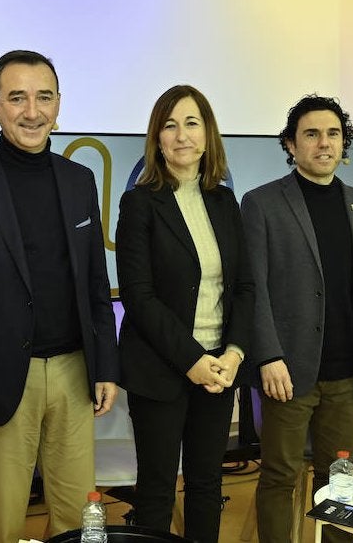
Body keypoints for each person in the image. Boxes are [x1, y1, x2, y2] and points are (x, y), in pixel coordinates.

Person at [0, 50, 119, 543]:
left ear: (58, 104)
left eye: (43, 97)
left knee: (78, 522)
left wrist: (107, 366)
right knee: (4, 526)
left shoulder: (80, 180)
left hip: (76, 374)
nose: (32, 112)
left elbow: (96, 283)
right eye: (17, 98)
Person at [240, 95, 353, 543]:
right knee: (279, 477)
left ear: (344, 143)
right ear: (291, 144)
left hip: (349, 374)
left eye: (333, 133)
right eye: (311, 134)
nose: (323, 143)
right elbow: (254, 290)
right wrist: (267, 355)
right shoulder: (261, 204)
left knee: (341, 478)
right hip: (288, 372)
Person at [115, 84, 253, 541]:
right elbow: (139, 296)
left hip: (219, 366)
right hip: (161, 369)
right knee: (156, 491)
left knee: (207, 484)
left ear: (208, 135)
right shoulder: (139, 203)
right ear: (157, 139)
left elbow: (244, 288)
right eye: (169, 125)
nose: (181, 135)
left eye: (192, 123)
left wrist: (233, 353)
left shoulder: (224, 201)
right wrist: (193, 360)